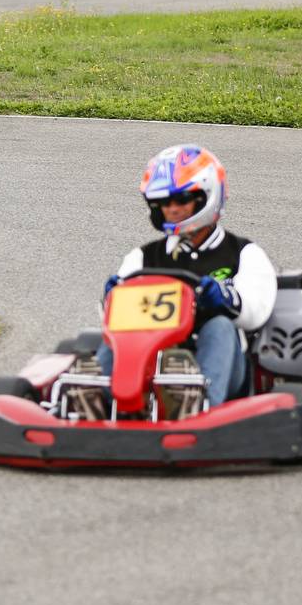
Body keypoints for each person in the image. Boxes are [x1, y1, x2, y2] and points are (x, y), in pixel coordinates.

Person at [96, 145, 278, 409]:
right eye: (165, 202)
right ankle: (98, 403)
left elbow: (256, 313)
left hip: (225, 366)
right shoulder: (142, 257)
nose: (172, 209)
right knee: (115, 332)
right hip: (150, 358)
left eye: (181, 199)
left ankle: (200, 409)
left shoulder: (242, 253)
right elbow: (111, 323)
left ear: (207, 197)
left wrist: (223, 297)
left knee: (219, 326)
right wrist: (111, 300)